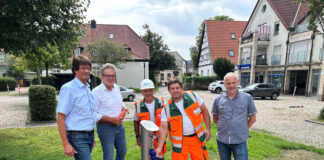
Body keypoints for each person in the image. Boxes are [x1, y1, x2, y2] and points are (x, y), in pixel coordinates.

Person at [155, 78, 211, 160]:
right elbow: (163, 128)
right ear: (169, 91)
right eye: (172, 88)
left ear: (181, 88)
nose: (175, 90)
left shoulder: (192, 96)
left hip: (197, 139)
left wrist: (208, 129)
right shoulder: (166, 108)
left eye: (177, 88)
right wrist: (159, 147)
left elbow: (204, 111)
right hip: (180, 144)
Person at [56, 55, 96, 160]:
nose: (87, 71)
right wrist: (65, 144)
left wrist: (91, 136)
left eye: (88, 68)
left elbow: (88, 114)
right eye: (83, 68)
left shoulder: (87, 88)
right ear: (75, 70)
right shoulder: (69, 89)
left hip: (89, 136)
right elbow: (60, 117)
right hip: (77, 137)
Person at [212, 72, 257, 160]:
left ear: (238, 82)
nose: (231, 85)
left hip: (240, 141)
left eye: (233, 82)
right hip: (222, 141)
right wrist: (224, 127)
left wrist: (243, 129)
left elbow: (252, 118)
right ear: (224, 84)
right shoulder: (218, 99)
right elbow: (215, 118)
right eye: (228, 83)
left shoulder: (247, 98)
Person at [92, 63, 127, 160]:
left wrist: (123, 110)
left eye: (113, 76)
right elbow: (92, 114)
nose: (110, 78)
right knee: (109, 156)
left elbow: (121, 104)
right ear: (102, 77)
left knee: (122, 151)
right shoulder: (96, 92)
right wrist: (110, 119)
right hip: (105, 128)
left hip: (119, 127)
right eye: (107, 75)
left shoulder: (117, 88)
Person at [133, 79, 167, 160]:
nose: (148, 93)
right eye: (145, 91)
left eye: (150, 90)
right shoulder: (138, 105)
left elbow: (166, 121)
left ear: (153, 90)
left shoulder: (161, 103)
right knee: (146, 157)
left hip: (159, 137)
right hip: (145, 138)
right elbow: (136, 122)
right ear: (141, 91)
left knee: (160, 157)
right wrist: (138, 137)